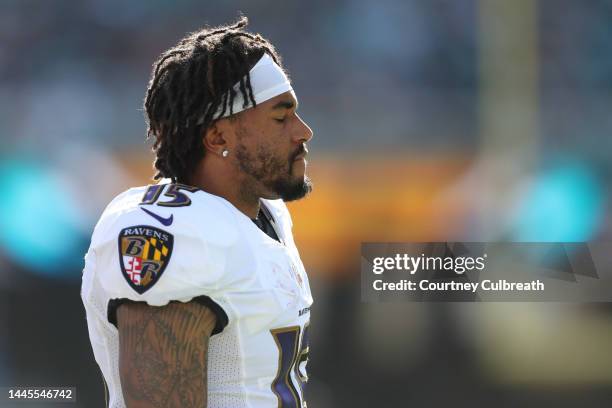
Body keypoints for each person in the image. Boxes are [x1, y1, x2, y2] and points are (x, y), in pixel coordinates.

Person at [81, 17, 314, 408]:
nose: (303, 131)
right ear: (218, 137)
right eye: (280, 117)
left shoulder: (266, 217)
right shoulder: (176, 232)